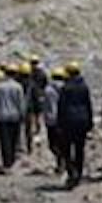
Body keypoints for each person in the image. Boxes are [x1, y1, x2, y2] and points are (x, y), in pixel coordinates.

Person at [55, 61, 93, 190]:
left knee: (65, 149)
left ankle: (72, 171)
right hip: (82, 121)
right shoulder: (84, 87)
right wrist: (90, 121)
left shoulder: (66, 88)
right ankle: (79, 173)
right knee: (79, 149)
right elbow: (88, 105)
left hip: (68, 122)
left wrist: (59, 124)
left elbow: (61, 107)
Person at [0, 63, 27, 173]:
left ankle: (6, 161)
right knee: (14, 138)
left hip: (2, 116)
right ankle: (12, 159)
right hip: (15, 116)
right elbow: (21, 102)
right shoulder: (18, 87)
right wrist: (22, 114)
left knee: (4, 140)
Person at [41, 67, 64, 175]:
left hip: (51, 120)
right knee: (63, 143)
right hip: (64, 120)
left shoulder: (48, 90)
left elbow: (45, 106)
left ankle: (60, 163)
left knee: (53, 144)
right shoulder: (66, 88)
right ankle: (63, 162)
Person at [24, 54, 48, 154]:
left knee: (36, 115)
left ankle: (36, 132)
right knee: (36, 115)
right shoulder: (41, 73)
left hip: (35, 97)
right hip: (38, 97)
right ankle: (36, 131)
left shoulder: (29, 73)